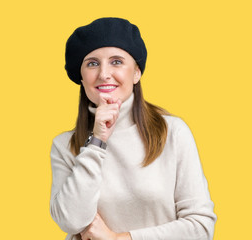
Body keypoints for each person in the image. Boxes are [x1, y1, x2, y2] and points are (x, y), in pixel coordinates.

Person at [49, 17, 216, 240]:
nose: (104, 74)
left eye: (116, 62)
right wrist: (97, 141)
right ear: (81, 77)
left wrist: (120, 238)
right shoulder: (64, 146)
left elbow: (201, 227)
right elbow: (71, 220)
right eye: (92, 63)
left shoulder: (173, 133)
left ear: (136, 73)